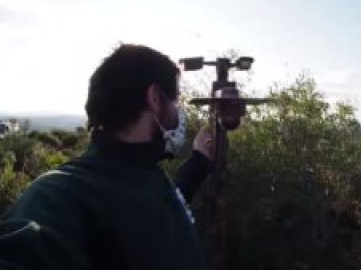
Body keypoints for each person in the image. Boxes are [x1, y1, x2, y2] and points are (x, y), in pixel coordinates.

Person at [0, 44, 213, 270]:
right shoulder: (58, 194)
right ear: (156, 99)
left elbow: (160, 206)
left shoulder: (142, 174)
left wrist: (199, 160)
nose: (178, 112)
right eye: (175, 100)